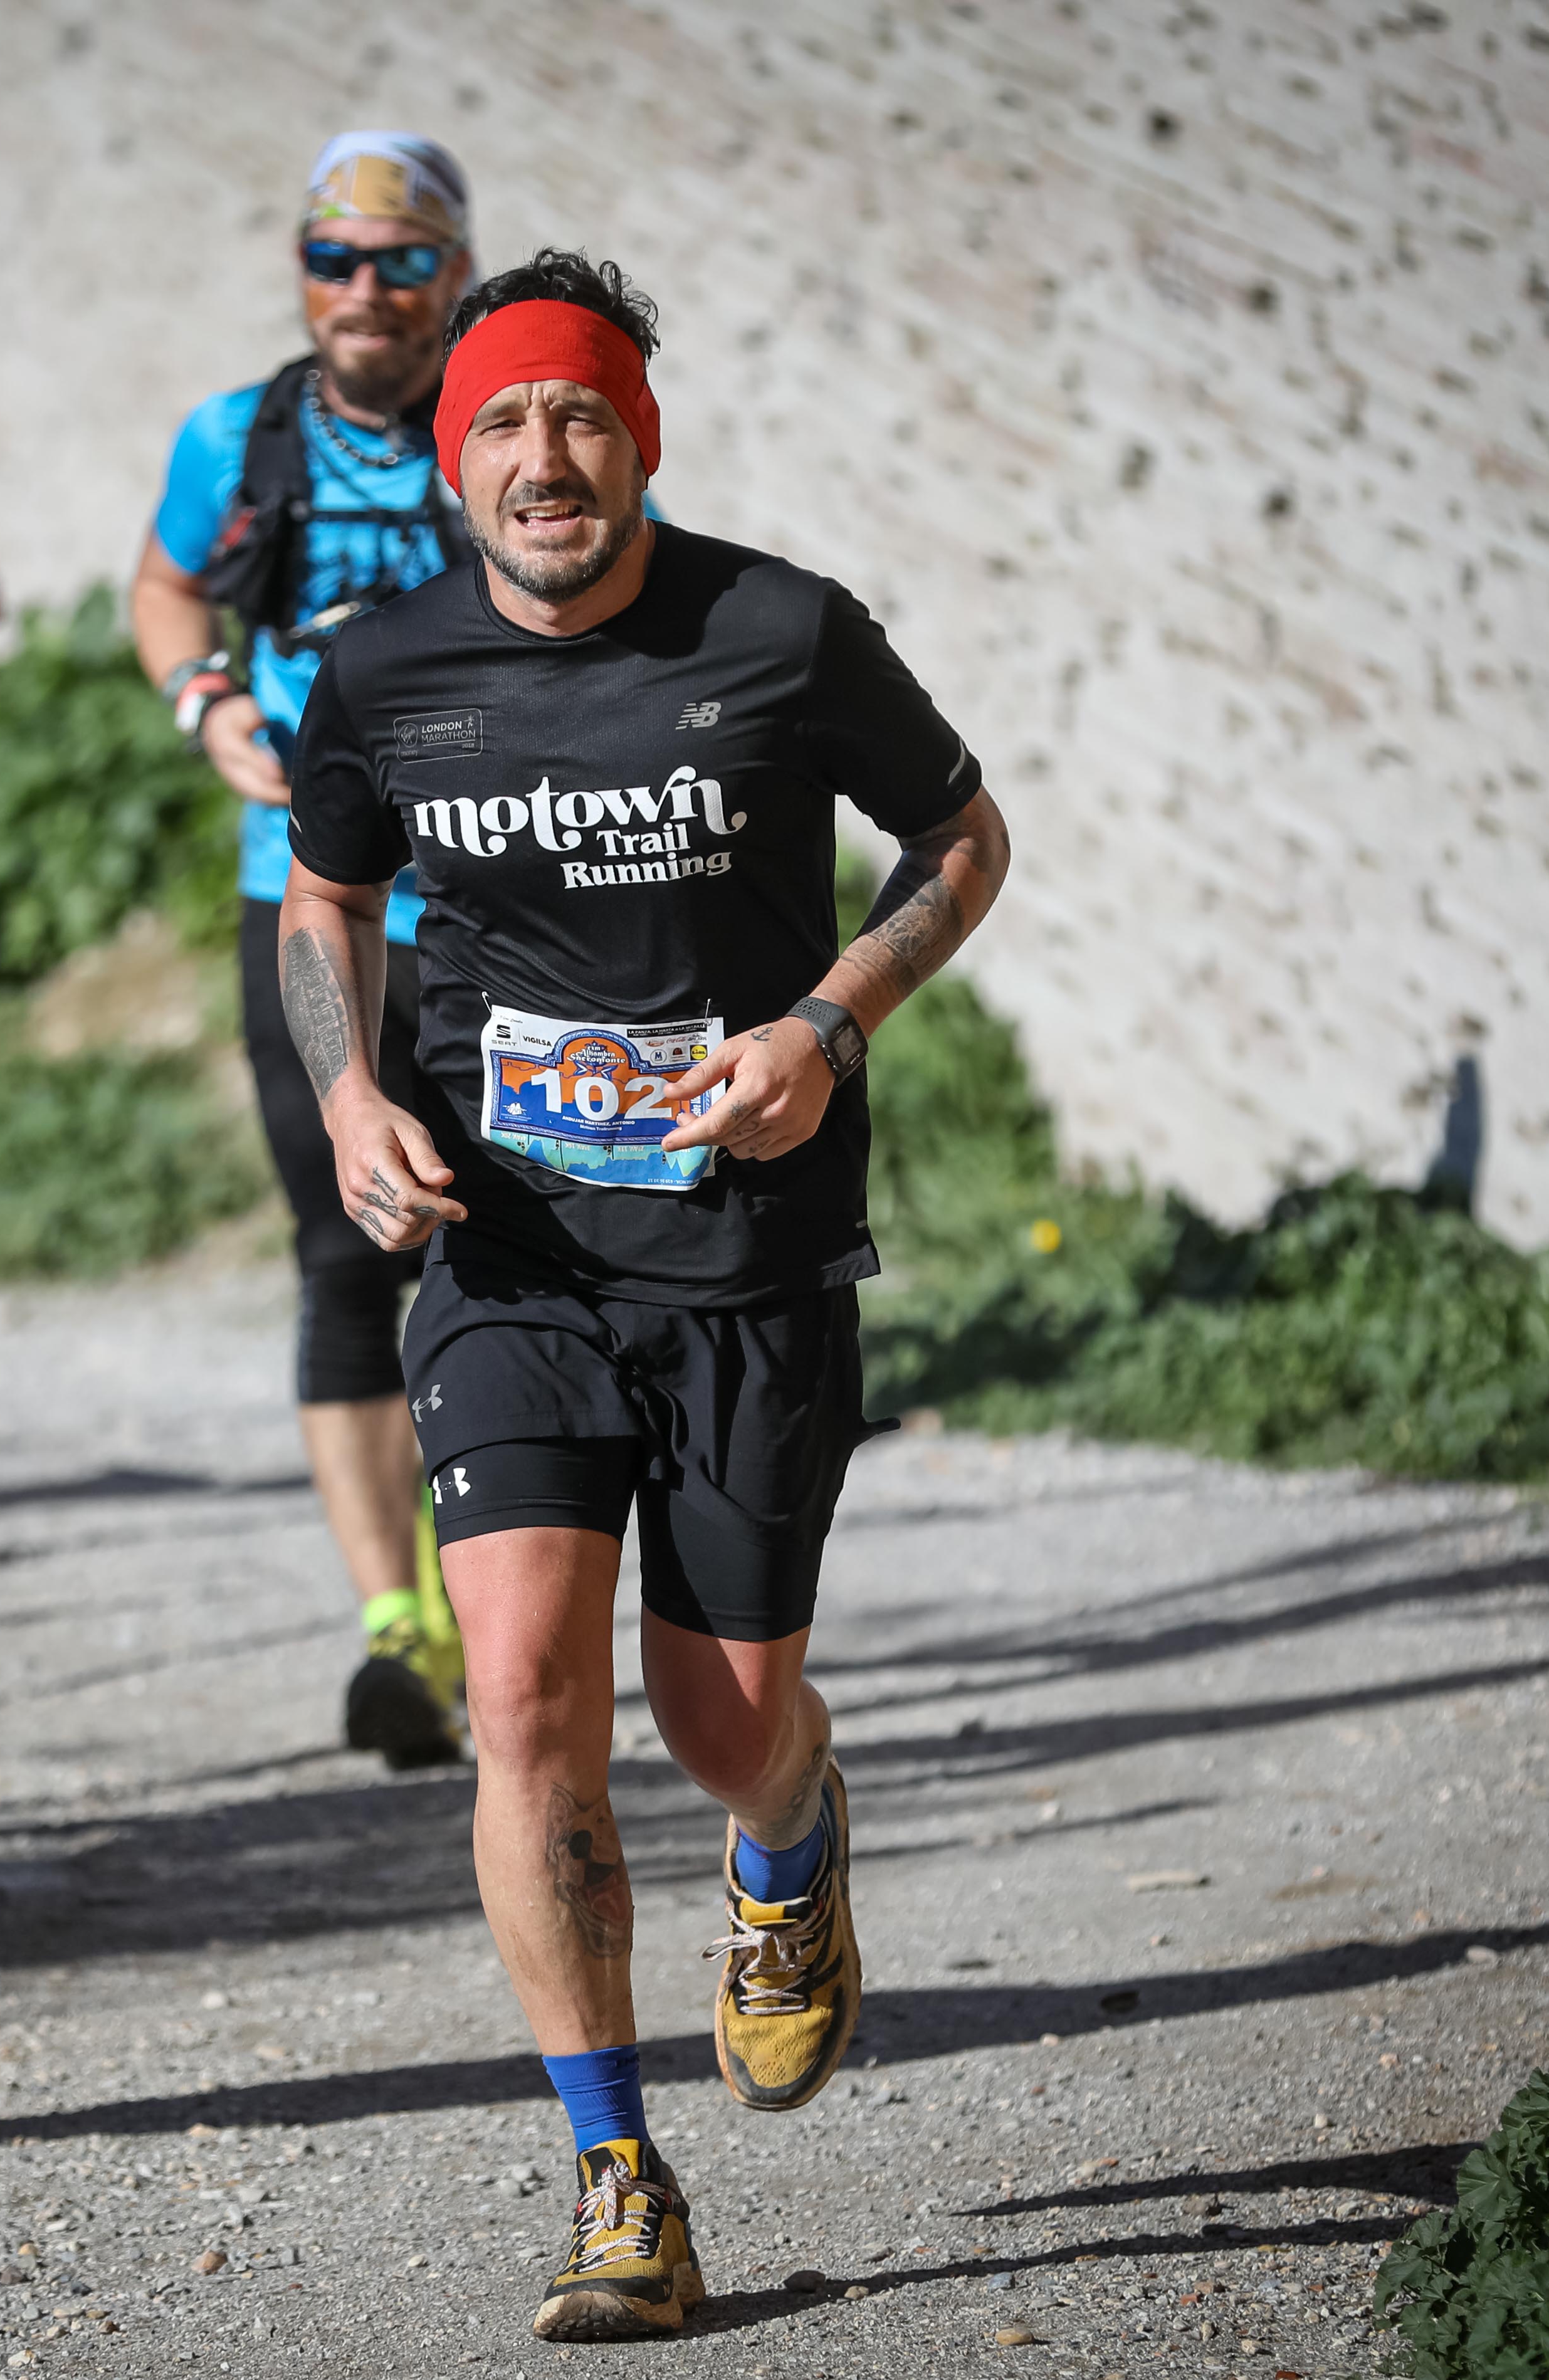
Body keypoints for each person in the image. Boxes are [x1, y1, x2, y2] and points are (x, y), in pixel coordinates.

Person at [281, 252, 1012, 2341]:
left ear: (639, 439)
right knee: (519, 1700)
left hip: (746, 1265)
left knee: (719, 1715)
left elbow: (961, 839)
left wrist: (830, 1022)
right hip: (508, 1252)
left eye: (579, 414)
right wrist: (347, 1083)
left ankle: (790, 1840)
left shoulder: (775, 629)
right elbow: (325, 886)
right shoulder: (381, 667)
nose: (542, 456)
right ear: (454, 458)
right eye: (501, 421)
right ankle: (617, 2175)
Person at [131, 130, 478, 1769]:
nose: (361, 288)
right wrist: (204, 705)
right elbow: (162, 587)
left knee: (498, 1252)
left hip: (495, 911)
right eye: (330, 257)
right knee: (344, 1251)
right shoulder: (237, 437)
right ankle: (396, 1625)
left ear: (451, 273)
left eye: (399, 259)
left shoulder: (513, 426)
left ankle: (491, 1584)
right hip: (307, 905)